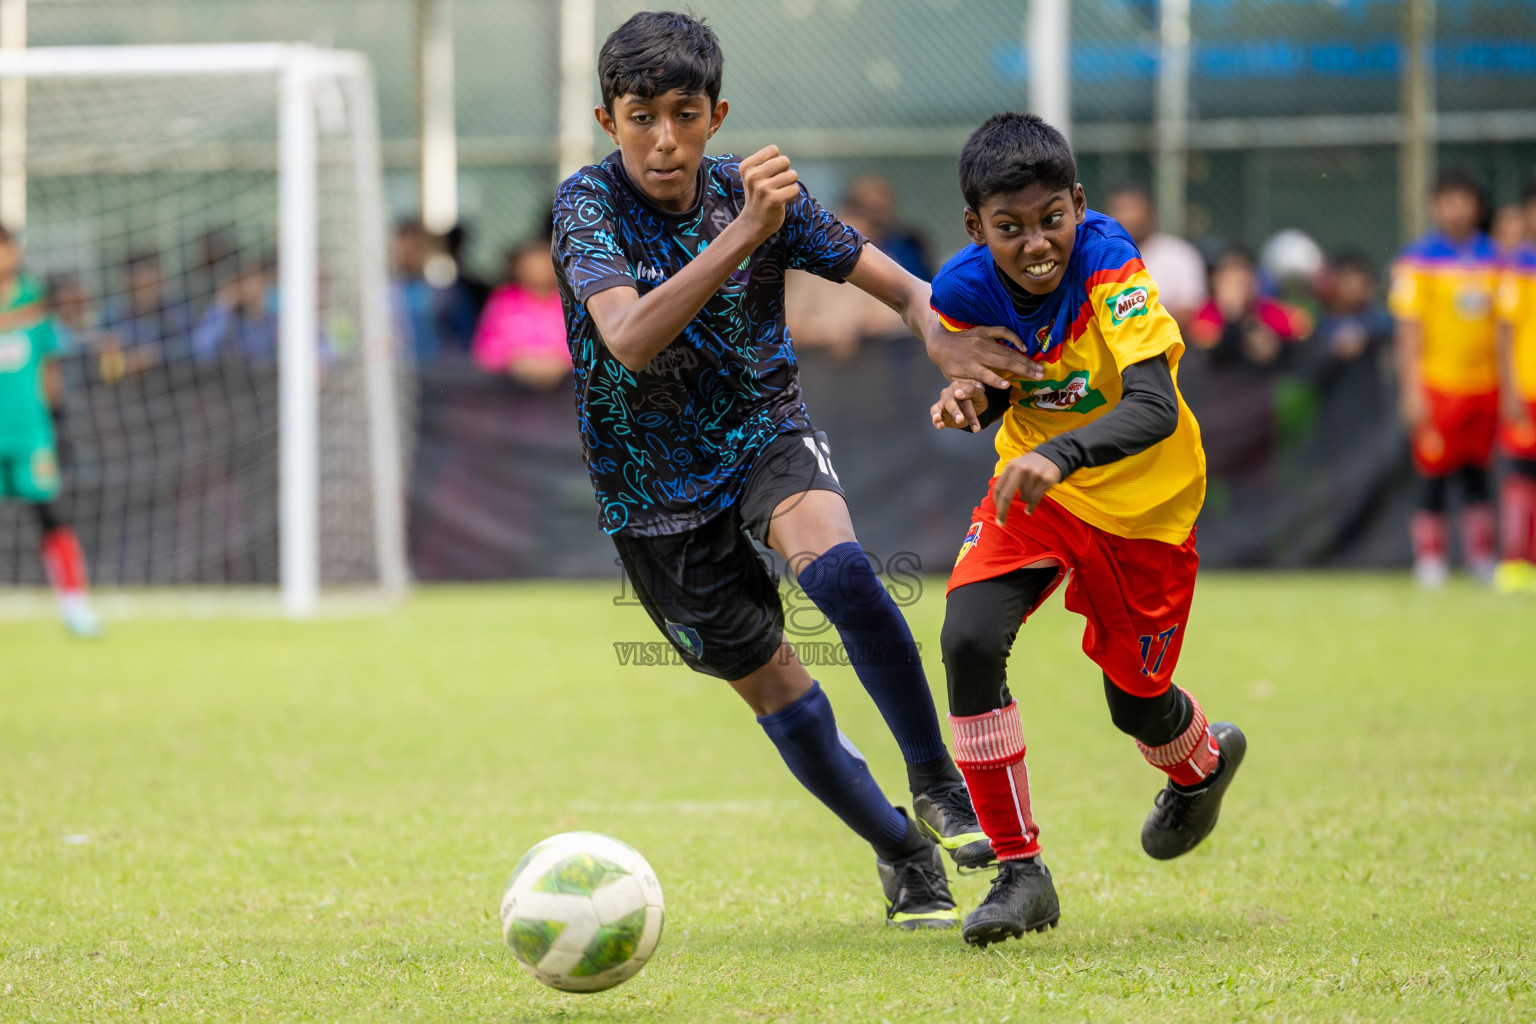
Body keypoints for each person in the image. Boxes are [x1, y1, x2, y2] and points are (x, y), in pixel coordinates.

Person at [552, 11, 1045, 930]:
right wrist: (743, 232)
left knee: (844, 570)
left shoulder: (760, 192)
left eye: (685, 114)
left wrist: (943, 338)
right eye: (641, 116)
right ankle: (901, 850)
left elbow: (900, 288)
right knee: (777, 681)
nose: (665, 140)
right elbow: (624, 338)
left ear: (717, 113)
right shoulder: (587, 205)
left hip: (761, 429)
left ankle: (939, 784)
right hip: (649, 489)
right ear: (606, 121)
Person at [926, 113, 1245, 947]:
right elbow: (1009, 383)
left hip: (1147, 508)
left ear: (1078, 203)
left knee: (1136, 706)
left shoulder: (1111, 260)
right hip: (1041, 491)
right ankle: (1019, 870)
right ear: (975, 227)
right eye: (1010, 228)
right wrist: (974, 399)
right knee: (966, 638)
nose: (1036, 244)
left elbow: (1153, 405)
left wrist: (1062, 453)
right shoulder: (959, 291)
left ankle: (1200, 764)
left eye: (1051, 219)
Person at [1389, 169, 1501, 587]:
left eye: (1464, 198)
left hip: (1486, 385)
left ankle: (1481, 557)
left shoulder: (1495, 258)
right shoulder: (1418, 260)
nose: (1456, 208)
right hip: (1438, 386)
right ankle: (1431, 560)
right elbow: (1408, 330)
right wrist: (1411, 389)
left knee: (1478, 472)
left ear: (1478, 205)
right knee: (1434, 473)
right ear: (1434, 205)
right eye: (1447, 199)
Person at [0, 227, 102, 636]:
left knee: (51, 514)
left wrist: (59, 424)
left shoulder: (35, 301)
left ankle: (75, 605)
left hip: (31, 435)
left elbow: (49, 367)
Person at [1185, 248, 1310, 484]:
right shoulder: (1207, 312)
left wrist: (1269, 340)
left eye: (1243, 276)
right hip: (1216, 417)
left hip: (1258, 418)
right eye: (1229, 277)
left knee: (1259, 482)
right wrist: (1231, 313)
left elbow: (1302, 329)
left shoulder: (1267, 311)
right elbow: (1206, 344)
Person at [1493, 182, 1536, 595]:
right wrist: (1510, 391)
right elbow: (1504, 334)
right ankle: (1514, 560)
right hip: (1528, 392)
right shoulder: (1520, 268)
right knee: (1521, 476)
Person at [1103, 184, 1207, 330]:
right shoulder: (1096, 256)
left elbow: (1187, 311)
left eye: (1135, 208)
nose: (1129, 217)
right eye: (1120, 208)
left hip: (1166, 345)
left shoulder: (1179, 254)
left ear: (1152, 213)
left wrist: (1136, 329)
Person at [473, 237, 572, 389]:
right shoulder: (503, 300)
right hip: (510, 396)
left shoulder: (572, 302)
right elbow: (485, 350)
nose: (539, 270)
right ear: (517, 267)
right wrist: (515, 361)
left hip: (565, 397)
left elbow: (588, 349)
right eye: (531, 265)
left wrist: (562, 361)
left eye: (544, 263)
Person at [99, 250, 194, 374]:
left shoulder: (175, 308)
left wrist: (156, 354)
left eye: (154, 284)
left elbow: (195, 344)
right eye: (144, 286)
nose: (150, 292)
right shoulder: (111, 313)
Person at [843, 174, 932, 280]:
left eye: (881, 208)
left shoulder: (907, 246)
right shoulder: (841, 248)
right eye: (870, 209)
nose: (878, 215)